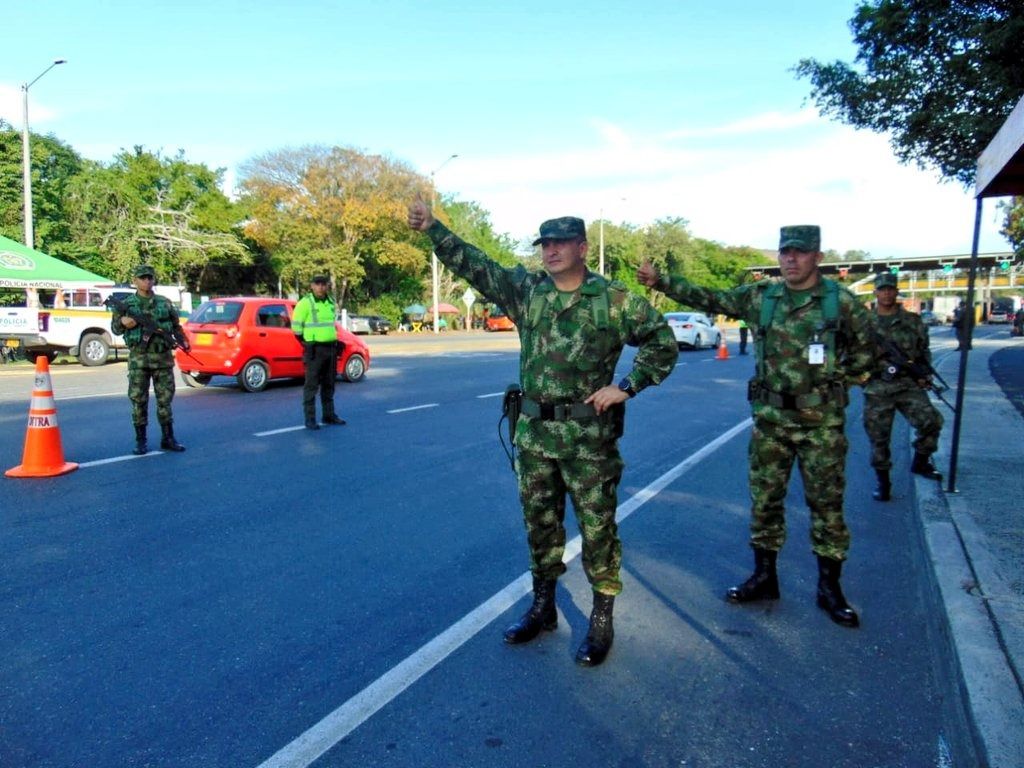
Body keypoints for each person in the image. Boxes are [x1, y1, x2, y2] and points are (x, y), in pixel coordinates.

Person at [408, 198, 678, 666]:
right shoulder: (527, 291)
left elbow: (662, 342)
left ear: (580, 247)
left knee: (597, 531)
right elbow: (476, 264)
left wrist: (627, 387)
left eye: (559, 244)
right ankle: (543, 606)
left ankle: (600, 619)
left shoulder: (614, 300)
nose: (550, 251)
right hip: (534, 438)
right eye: (544, 244)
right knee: (540, 527)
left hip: (589, 442)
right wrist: (433, 229)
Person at [638, 225, 875, 628]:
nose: (790, 259)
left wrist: (833, 384)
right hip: (770, 421)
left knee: (827, 506)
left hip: (822, 426)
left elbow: (865, 354)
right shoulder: (761, 296)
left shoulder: (841, 303)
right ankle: (765, 576)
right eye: (785, 252)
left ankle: (829, 588)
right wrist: (661, 281)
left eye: (800, 252)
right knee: (765, 501)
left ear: (817, 257)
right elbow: (709, 297)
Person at [863, 273, 944, 502]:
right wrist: (861, 377)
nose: (887, 293)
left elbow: (923, 351)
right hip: (877, 387)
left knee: (931, 422)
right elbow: (850, 353)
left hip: (908, 384)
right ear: (875, 292)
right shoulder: (863, 323)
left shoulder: (912, 321)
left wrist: (923, 375)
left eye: (890, 289)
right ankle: (883, 482)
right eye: (882, 289)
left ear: (896, 292)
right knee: (879, 439)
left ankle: (920, 462)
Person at [110, 264, 186, 455]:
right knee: (138, 400)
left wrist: (183, 341)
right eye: (142, 278)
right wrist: (123, 322)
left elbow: (176, 326)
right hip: (139, 360)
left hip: (162, 359)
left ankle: (168, 438)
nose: (146, 281)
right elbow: (115, 329)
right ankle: (140, 441)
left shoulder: (164, 303)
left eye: (149, 278)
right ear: (135, 281)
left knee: (165, 400)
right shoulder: (127, 305)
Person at [291, 275, 346, 430]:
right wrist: (307, 343)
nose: (321, 287)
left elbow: (331, 325)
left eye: (324, 284)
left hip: (330, 348)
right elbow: (296, 329)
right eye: (318, 284)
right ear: (312, 286)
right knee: (311, 386)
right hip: (314, 350)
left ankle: (329, 415)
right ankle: (310, 419)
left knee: (329, 384)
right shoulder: (305, 303)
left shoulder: (330, 302)